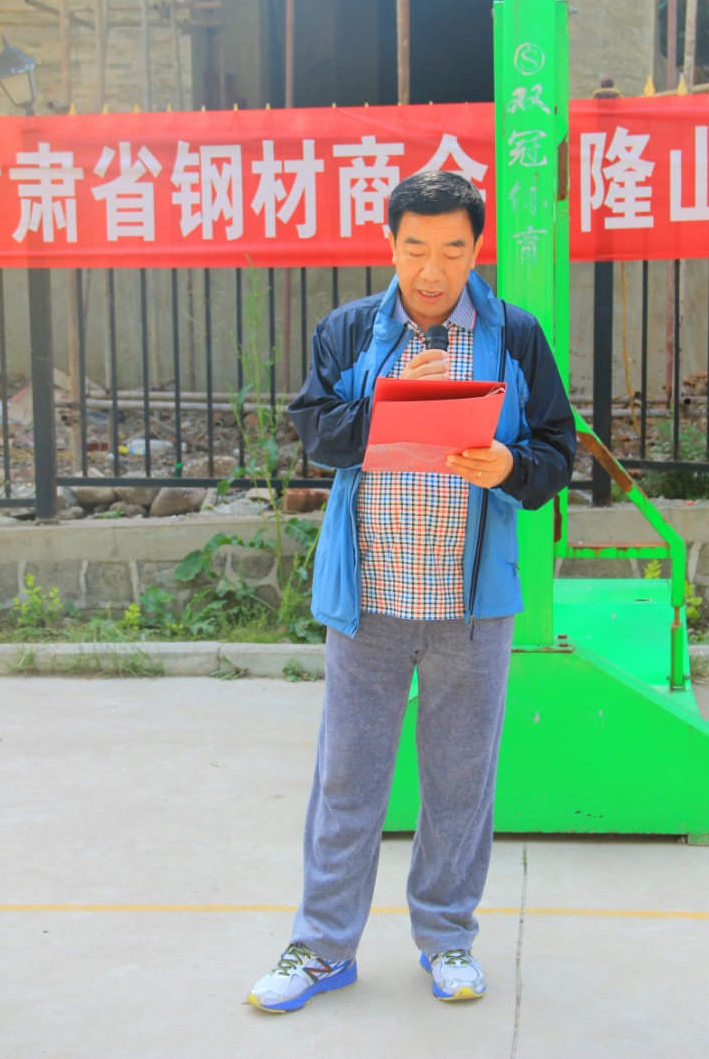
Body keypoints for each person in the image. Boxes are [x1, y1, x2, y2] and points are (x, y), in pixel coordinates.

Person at [247, 170, 575, 1013]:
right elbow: (318, 431)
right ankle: (322, 946)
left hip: (471, 610)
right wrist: (390, 397)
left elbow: (556, 450)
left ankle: (448, 937)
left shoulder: (516, 335)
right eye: (416, 248)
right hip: (371, 600)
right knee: (348, 781)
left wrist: (510, 466)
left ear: (477, 247)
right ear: (390, 243)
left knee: (461, 783)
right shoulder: (350, 329)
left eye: (453, 249)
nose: (433, 270)